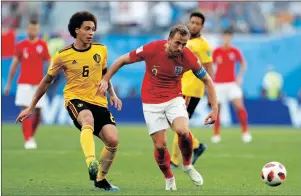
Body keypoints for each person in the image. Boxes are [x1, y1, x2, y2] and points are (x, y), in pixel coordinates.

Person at [98, 24, 218, 190]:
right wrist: (105, 79)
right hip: (151, 102)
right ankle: (169, 177)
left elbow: (208, 80)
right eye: (177, 43)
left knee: (183, 131)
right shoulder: (152, 48)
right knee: (160, 146)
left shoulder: (188, 57)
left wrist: (214, 109)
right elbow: (122, 60)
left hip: (174, 98)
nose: (180, 48)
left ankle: (187, 164)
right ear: (168, 40)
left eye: (184, 44)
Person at [15, 11, 121, 191]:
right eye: (87, 29)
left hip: (99, 101)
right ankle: (90, 162)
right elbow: (46, 82)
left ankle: (101, 179)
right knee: (87, 119)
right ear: (77, 30)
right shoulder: (62, 55)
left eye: (93, 29)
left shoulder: (101, 50)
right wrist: (31, 107)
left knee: (113, 141)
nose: (91, 33)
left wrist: (112, 94)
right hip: (75, 99)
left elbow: (105, 75)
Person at [170, 12, 213, 168]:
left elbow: (208, 68)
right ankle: (196, 145)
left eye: (197, 23)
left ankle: (174, 160)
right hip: (180, 87)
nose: (194, 25)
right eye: (192, 22)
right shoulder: (184, 40)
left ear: (202, 26)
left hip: (192, 89)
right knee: (177, 123)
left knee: (178, 122)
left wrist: (210, 92)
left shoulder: (203, 45)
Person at [4, 19, 51, 149]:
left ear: (38, 30)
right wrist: (8, 84)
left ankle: (31, 136)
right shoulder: (20, 45)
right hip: (24, 83)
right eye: (31, 28)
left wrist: (50, 78)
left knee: (38, 113)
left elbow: (50, 63)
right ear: (27, 29)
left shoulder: (43, 45)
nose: (33, 31)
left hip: (39, 84)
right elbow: (13, 65)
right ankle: (28, 138)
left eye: (35, 29)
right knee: (25, 111)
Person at [212, 29, 251, 143]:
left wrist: (239, 77)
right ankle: (216, 134)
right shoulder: (216, 51)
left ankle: (245, 132)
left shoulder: (234, 51)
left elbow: (243, 63)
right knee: (217, 110)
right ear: (222, 38)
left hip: (231, 83)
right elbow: (211, 66)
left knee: (239, 106)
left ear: (231, 38)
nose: (226, 39)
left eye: (229, 37)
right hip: (218, 84)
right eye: (225, 37)